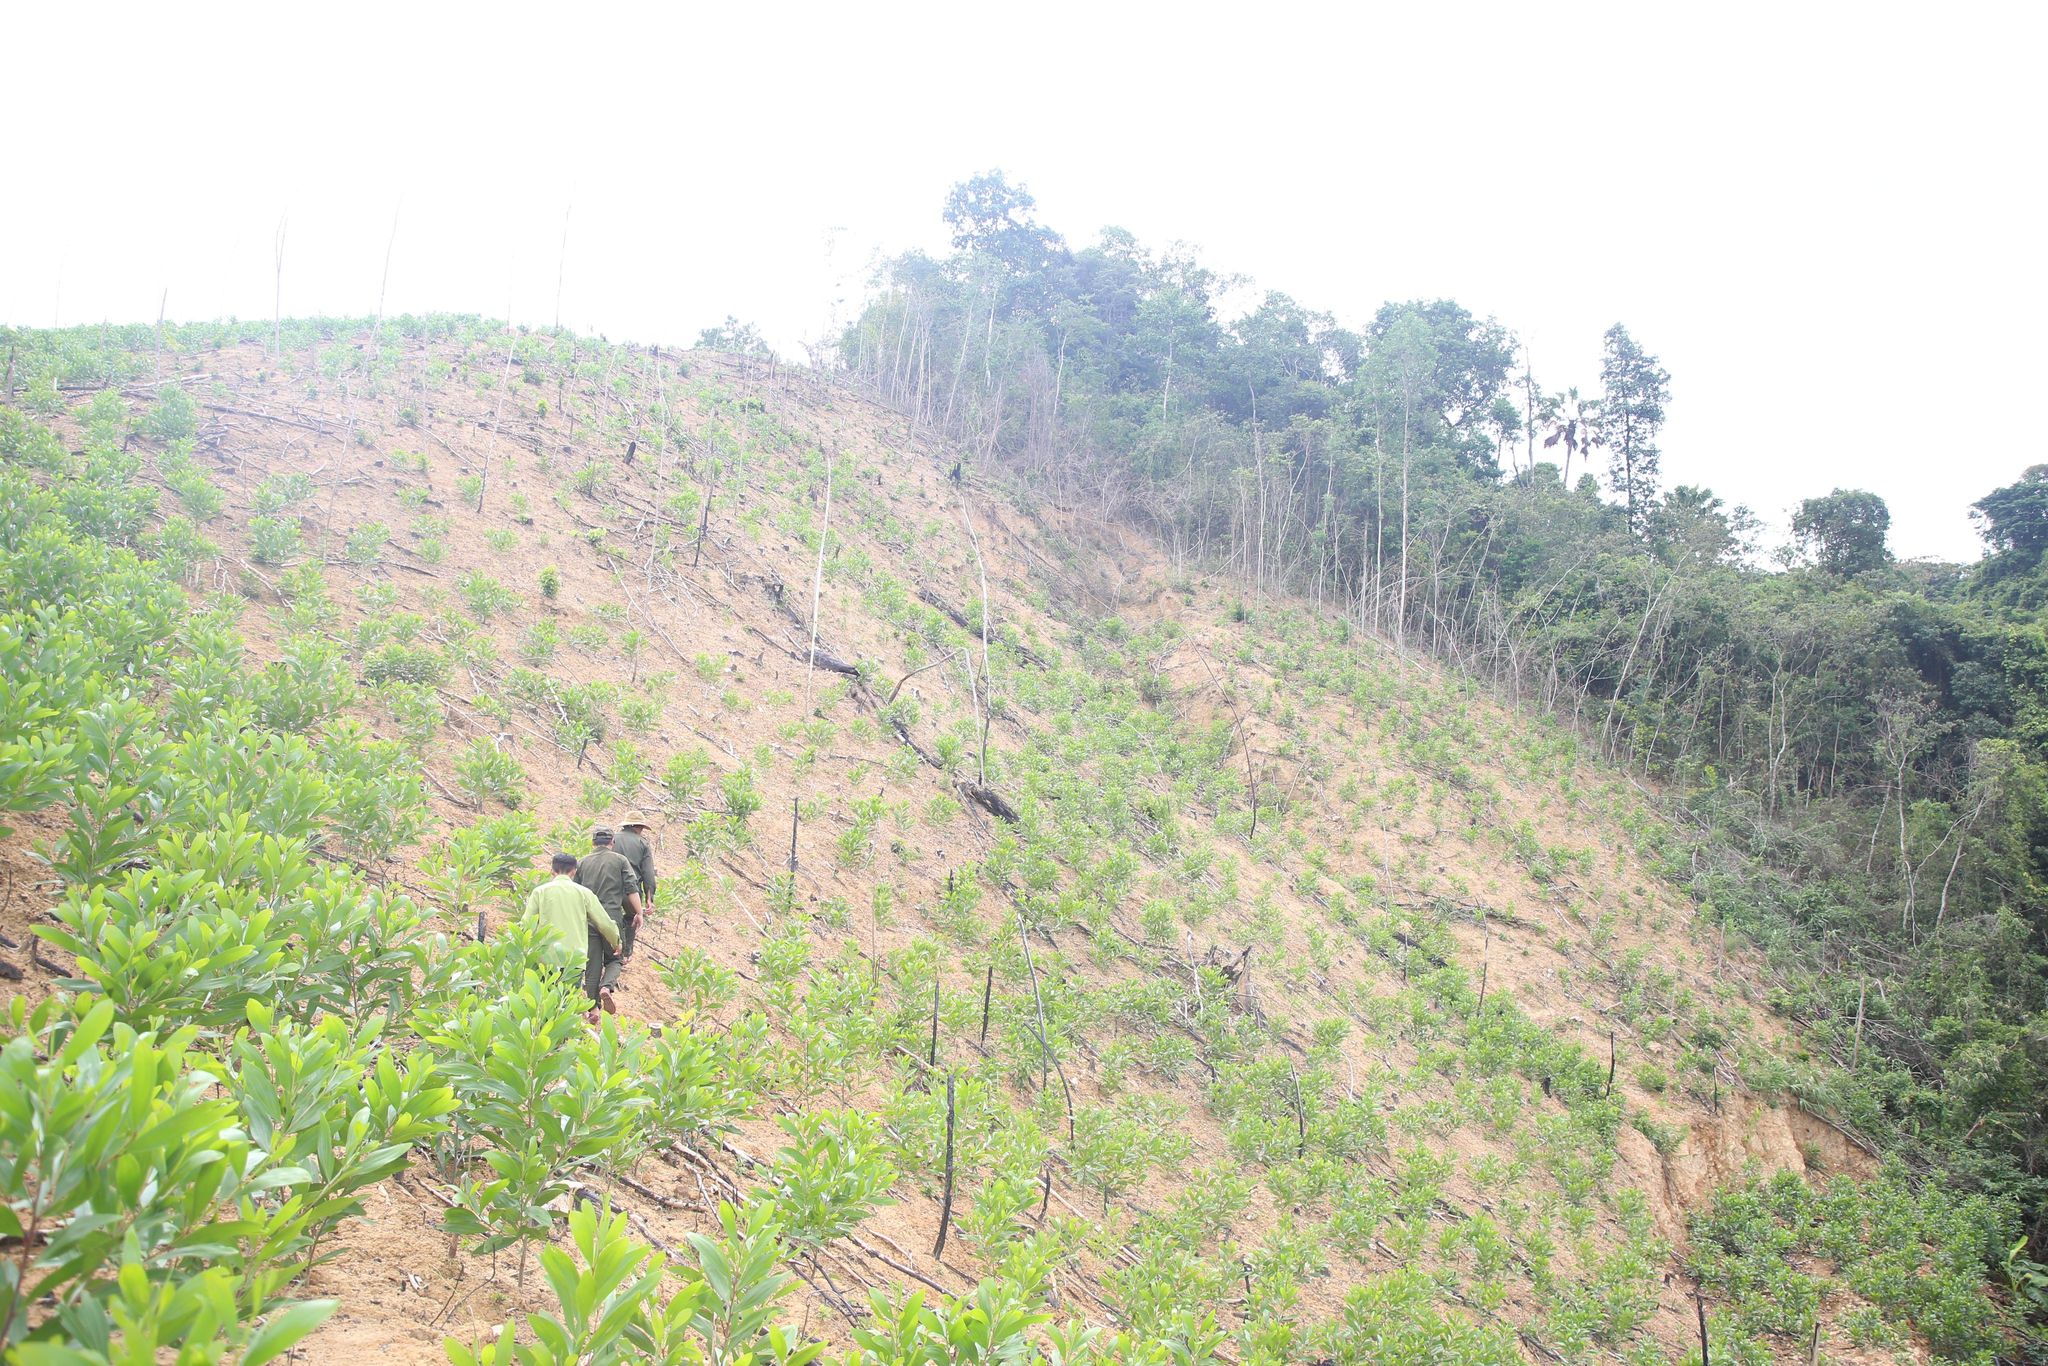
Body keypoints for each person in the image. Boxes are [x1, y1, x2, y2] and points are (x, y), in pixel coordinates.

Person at [522, 852, 621, 1015]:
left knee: (543, 1002)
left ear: (552, 871)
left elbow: (527, 923)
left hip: (544, 958)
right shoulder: (583, 893)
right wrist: (616, 941)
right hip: (573, 959)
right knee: (565, 1004)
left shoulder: (540, 892)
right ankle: (563, 1038)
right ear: (574, 871)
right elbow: (604, 922)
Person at [573, 827, 642, 999]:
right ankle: (606, 986)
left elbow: (576, 891)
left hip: (589, 920)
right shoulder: (620, 860)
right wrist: (639, 913)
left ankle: (593, 1007)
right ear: (612, 842)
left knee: (592, 965)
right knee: (615, 958)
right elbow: (631, 889)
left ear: (592, 843)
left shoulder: (582, 862)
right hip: (612, 916)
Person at [612, 811, 658, 957]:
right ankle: (625, 952)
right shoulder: (642, 843)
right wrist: (649, 898)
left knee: (609, 915)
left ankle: (609, 947)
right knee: (632, 916)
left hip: (610, 886)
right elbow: (648, 873)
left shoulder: (612, 838)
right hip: (631, 889)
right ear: (638, 827)